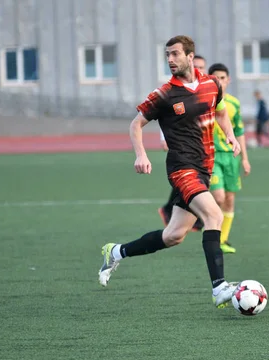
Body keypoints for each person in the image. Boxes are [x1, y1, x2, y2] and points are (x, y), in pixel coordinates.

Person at [98, 35, 242, 309]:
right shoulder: (164, 94)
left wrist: (231, 136)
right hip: (181, 169)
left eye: (175, 54)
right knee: (213, 215)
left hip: (203, 170)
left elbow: (221, 112)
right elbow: (135, 124)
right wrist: (141, 154)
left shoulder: (211, 84)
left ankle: (116, 252)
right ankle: (219, 288)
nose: (170, 60)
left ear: (190, 56)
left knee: (174, 235)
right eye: (167, 55)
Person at [158, 55, 207, 231]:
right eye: (197, 66)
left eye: (202, 67)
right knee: (193, 182)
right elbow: (165, 116)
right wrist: (164, 138)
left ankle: (177, 212)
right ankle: (202, 217)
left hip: (204, 148)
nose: (199, 70)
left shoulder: (207, 90)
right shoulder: (176, 91)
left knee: (173, 236)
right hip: (184, 149)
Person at [207, 63, 251, 254]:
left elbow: (239, 131)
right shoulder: (204, 102)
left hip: (231, 158)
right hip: (212, 156)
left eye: (223, 78)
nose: (220, 81)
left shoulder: (234, 103)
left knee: (230, 200)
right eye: (216, 78)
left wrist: (245, 159)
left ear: (228, 80)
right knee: (219, 197)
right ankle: (209, 226)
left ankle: (222, 240)